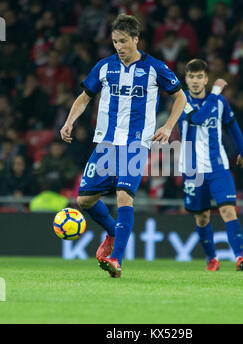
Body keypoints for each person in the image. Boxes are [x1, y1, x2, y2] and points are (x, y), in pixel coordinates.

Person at [60, 14, 186, 278]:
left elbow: (180, 97)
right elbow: (84, 98)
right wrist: (70, 120)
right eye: (115, 41)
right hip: (106, 143)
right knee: (84, 199)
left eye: (123, 41)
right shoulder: (104, 67)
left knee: (123, 197)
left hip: (136, 144)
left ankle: (116, 259)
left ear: (136, 40)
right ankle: (113, 234)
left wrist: (167, 127)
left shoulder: (155, 68)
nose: (119, 46)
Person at [177, 59, 243, 272]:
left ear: (206, 79)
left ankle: (240, 258)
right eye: (191, 77)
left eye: (200, 77)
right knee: (202, 217)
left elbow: (231, 124)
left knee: (228, 210)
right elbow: (199, 118)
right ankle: (212, 259)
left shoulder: (219, 103)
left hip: (218, 167)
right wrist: (216, 91)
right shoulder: (181, 101)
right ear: (186, 79)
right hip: (193, 170)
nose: (195, 81)